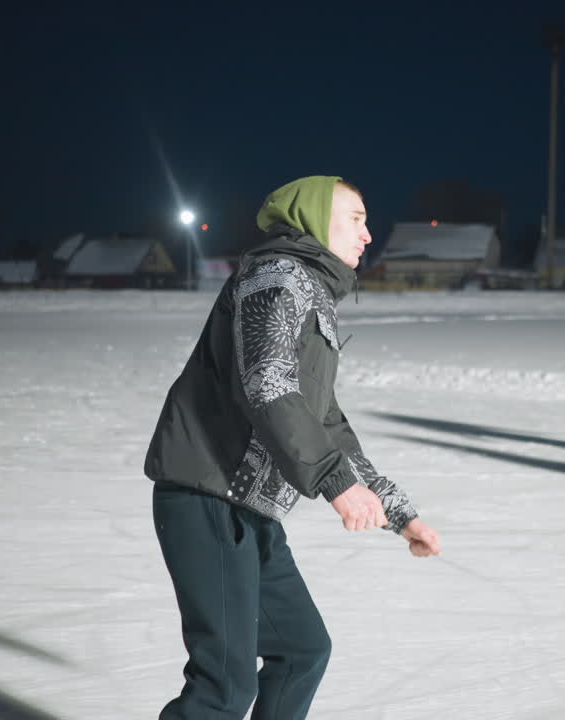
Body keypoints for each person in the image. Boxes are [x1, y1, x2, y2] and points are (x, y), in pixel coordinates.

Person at [144, 175, 443, 719]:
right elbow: (269, 384)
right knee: (224, 686)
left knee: (301, 650)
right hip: (208, 493)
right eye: (356, 218)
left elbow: (323, 417)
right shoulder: (278, 279)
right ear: (314, 217)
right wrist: (336, 484)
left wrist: (398, 514)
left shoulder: (312, 291)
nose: (369, 234)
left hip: (247, 508)